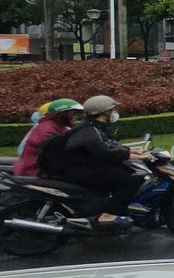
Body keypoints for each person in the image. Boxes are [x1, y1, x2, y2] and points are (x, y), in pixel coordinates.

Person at [47, 96, 140, 225]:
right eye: (112, 110)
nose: (114, 112)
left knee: (123, 172)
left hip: (83, 167)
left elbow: (107, 145)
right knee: (130, 181)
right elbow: (105, 154)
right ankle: (110, 215)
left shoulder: (92, 127)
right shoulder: (90, 131)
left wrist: (129, 152)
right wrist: (131, 156)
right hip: (80, 171)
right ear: (103, 112)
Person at [15, 99, 80, 177]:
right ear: (62, 114)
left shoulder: (58, 127)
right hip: (35, 173)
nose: (76, 117)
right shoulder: (47, 130)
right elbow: (56, 155)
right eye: (73, 113)